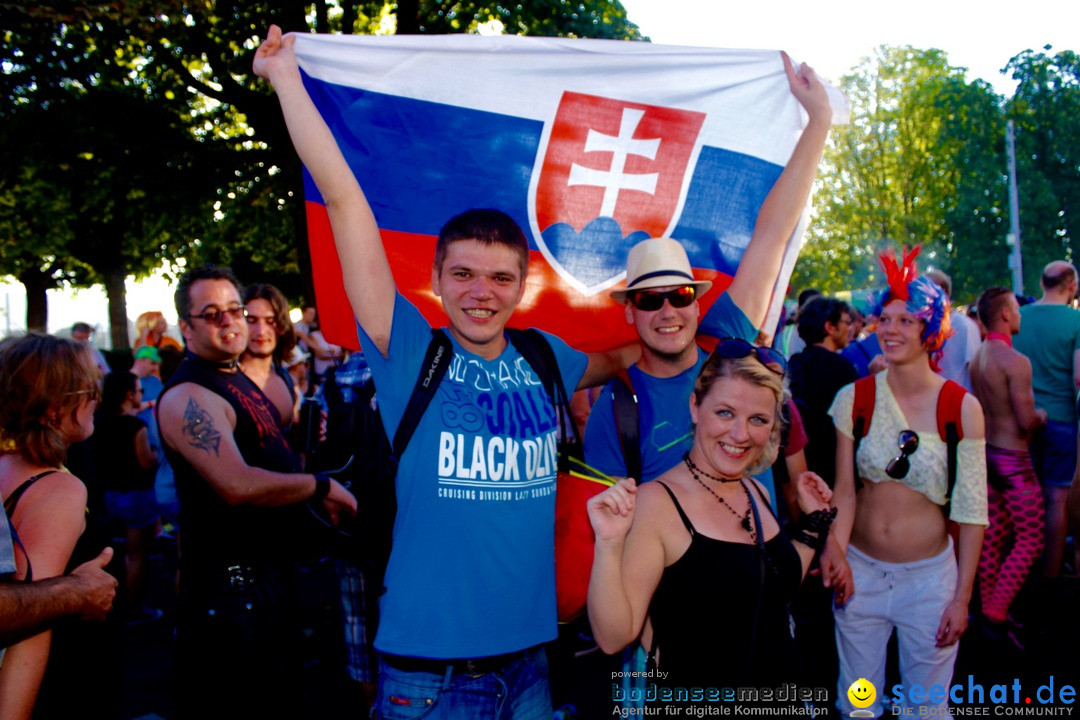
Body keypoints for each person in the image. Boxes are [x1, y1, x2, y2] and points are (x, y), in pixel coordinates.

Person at [255, 26, 637, 718]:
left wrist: (683, 313)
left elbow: (631, 349)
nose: (480, 292)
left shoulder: (544, 356)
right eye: (461, 274)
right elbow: (346, 202)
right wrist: (286, 80)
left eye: (499, 277)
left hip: (531, 666)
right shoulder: (410, 351)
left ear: (522, 288)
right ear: (435, 281)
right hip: (427, 678)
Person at [585, 52, 832, 492]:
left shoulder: (727, 345)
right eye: (648, 299)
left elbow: (773, 233)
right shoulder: (617, 407)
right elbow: (607, 533)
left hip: (760, 558)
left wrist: (819, 119)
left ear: (698, 304)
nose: (667, 311)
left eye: (679, 296)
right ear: (630, 313)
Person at [156, 264, 357, 718]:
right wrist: (320, 485)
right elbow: (237, 485)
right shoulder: (190, 394)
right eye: (212, 314)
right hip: (229, 598)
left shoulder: (235, 375)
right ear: (186, 327)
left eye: (235, 310)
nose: (229, 321)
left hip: (269, 583)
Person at [586, 342, 836, 692]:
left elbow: (772, 584)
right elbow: (613, 637)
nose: (740, 434)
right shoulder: (656, 505)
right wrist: (609, 545)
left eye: (758, 420)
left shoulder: (757, 492)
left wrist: (812, 523)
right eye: (725, 413)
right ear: (695, 407)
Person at [829, 246, 987, 718]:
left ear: (931, 330)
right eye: (885, 318)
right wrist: (835, 550)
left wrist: (961, 598)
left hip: (930, 584)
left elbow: (972, 509)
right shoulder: (852, 399)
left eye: (907, 321)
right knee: (860, 704)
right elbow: (845, 490)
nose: (891, 330)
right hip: (860, 580)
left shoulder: (961, 407)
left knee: (927, 708)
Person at [0, 334, 103, 719]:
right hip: (59, 687)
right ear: (53, 407)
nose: (97, 399)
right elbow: (32, 619)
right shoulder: (56, 488)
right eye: (88, 388)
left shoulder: (7, 464)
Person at [969, 286, 1046, 639]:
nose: (1019, 314)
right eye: (1015, 308)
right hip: (1014, 460)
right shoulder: (1015, 362)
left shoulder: (979, 357)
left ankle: (988, 608)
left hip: (988, 454)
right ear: (1003, 314)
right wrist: (1043, 415)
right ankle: (996, 613)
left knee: (994, 536)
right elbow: (1027, 420)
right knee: (1031, 538)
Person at [1011, 260, 1080, 577]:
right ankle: (1050, 576)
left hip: (1018, 421)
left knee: (1024, 497)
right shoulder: (1076, 321)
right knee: (1057, 498)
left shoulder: (1019, 317)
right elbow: (1079, 377)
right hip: (1062, 419)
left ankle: (1019, 570)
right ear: (1072, 285)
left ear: (1042, 283)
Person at [93, 371, 160, 624]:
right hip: (136, 494)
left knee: (116, 553)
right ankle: (132, 609)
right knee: (137, 555)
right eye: (140, 391)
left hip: (110, 495)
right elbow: (145, 462)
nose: (142, 395)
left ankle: (113, 603)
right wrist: (155, 454)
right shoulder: (136, 426)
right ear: (129, 395)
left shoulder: (99, 421)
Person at [788, 296, 858, 484]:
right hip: (834, 469)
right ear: (830, 327)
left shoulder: (794, 363)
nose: (850, 328)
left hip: (798, 465)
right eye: (846, 322)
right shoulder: (843, 368)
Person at [241, 283, 300, 429]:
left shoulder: (288, 380)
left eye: (270, 321)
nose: (261, 331)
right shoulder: (226, 382)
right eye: (252, 320)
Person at [926, 269, 980, 391]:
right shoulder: (923, 326)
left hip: (959, 404)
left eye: (927, 292)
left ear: (943, 294)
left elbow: (976, 372)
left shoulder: (964, 326)